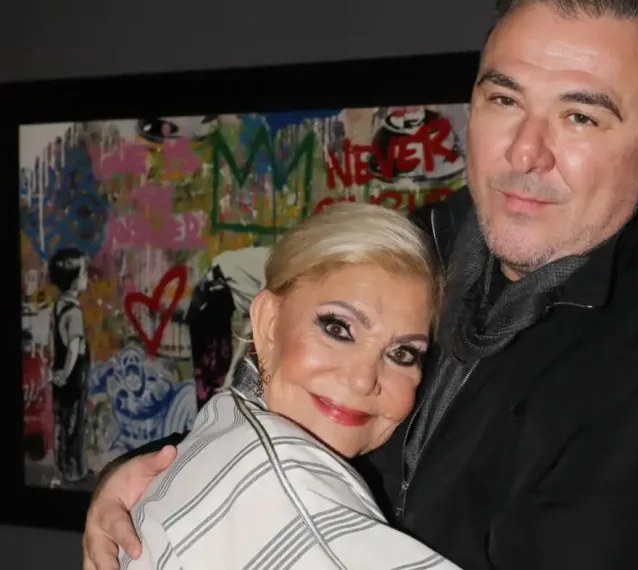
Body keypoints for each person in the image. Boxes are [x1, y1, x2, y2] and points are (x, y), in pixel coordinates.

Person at [84, 1, 638, 569]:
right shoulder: (420, 246)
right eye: (505, 99)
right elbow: (281, 402)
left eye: (580, 116)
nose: (525, 152)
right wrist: (141, 476)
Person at [118, 203, 459, 569]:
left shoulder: (227, 420)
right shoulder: (292, 500)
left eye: (402, 353)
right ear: (268, 323)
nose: (363, 380)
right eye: (338, 329)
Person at [47, 246, 91, 483]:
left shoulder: (58, 306)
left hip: (61, 374)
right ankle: (74, 471)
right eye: (84, 273)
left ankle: (64, 465)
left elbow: (54, 340)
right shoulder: (74, 313)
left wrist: (55, 370)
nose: (87, 277)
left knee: (63, 422)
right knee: (75, 422)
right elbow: (74, 346)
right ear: (74, 281)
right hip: (74, 376)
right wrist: (66, 372)